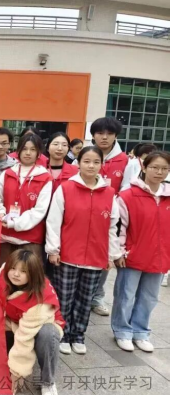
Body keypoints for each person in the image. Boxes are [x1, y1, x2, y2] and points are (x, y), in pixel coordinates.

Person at [46, 146, 121, 355]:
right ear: (78, 163)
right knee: (65, 297)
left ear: (101, 165)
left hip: (96, 256)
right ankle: (63, 333)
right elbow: (54, 221)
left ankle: (78, 335)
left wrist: (111, 255)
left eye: (96, 162)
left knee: (85, 298)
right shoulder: (66, 188)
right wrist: (53, 249)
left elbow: (112, 227)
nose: (91, 166)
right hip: (68, 254)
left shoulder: (109, 193)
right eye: (86, 161)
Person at [112, 151, 170, 353]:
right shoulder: (128, 195)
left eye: (164, 168)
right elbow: (119, 226)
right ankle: (122, 331)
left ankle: (140, 331)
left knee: (149, 297)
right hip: (132, 255)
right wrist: (119, 252)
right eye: (154, 167)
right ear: (144, 167)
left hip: (160, 256)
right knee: (125, 295)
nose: (159, 172)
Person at [0, 250, 64, 395]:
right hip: (14, 321)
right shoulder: (2, 275)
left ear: (33, 274)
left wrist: (17, 372)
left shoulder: (39, 300)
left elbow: (24, 338)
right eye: (13, 268)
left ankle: (48, 383)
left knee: (48, 334)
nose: (16, 274)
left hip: (39, 327)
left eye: (23, 271)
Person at [87, 117, 129, 317]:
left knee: (105, 257)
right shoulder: (85, 156)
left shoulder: (125, 161)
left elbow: (127, 191)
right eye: (100, 133)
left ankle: (97, 296)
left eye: (109, 134)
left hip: (111, 218)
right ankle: (83, 294)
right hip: (84, 215)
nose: (104, 137)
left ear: (116, 136)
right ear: (93, 135)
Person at [0, 134, 52, 267]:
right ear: (18, 151)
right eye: (24, 149)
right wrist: (1, 212)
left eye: (33, 149)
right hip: (5, 237)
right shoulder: (7, 174)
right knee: (3, 274)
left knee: (28, 275)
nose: (28, 153)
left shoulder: (45, 177)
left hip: (30, 239)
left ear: (39, 153)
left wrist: (15, 223)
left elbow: (40, 211)